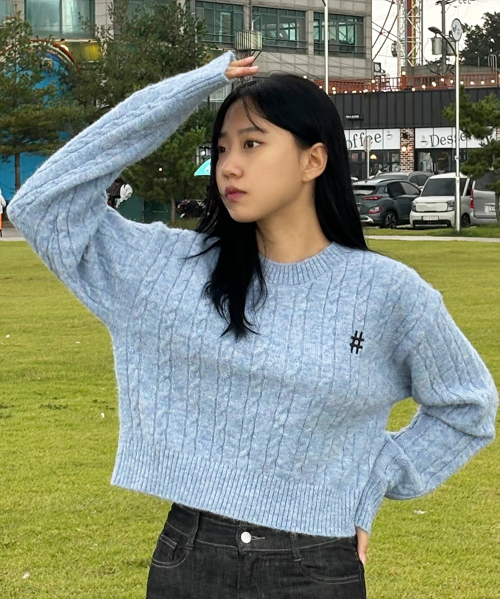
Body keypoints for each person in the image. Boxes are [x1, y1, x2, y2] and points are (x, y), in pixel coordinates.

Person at [7, 54, 498, 599]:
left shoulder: (388, 293)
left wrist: (376, 477)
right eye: (222, 149)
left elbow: (468, 406)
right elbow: (42, 207)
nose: (228, 167)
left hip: (317, 566)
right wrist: (191, 89)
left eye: (252, 144)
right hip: (192, 560)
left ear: (313, 160)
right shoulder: (167, 268)